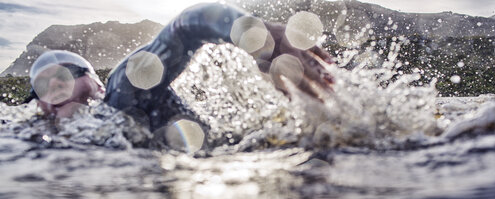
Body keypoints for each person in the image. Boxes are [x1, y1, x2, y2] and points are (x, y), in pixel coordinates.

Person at [28, 2, 334, 130]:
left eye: (65, 76)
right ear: (40, 106)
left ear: (97, 85)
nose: (55, 86)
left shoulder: (122, 93)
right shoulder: (36, 139)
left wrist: (258, 35)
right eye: (43, 86)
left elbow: (187, 25)